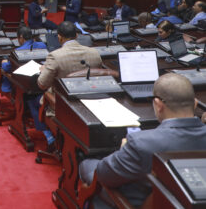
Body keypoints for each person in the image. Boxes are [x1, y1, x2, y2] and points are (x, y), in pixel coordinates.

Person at [79, 73, 206, 209]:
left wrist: (123, 151)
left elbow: (102, 175)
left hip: (139, 203)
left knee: (86, 164)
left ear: (158, 105)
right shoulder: (142, 143)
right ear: (195, 104)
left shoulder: (141, 144)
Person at [0, 27, 45, 107]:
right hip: (38, 81)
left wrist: (4, 62)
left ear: (21, 37)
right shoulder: (42, 45)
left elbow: (6, 68)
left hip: (18, 83)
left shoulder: (18, 51)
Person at [37, 21, 102, 92]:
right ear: (76, 36)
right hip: (91, 93)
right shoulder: (95, 53)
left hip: (63, 96)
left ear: (59, 37)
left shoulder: (54, 56)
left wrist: (44, 71)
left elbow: (42, 85)